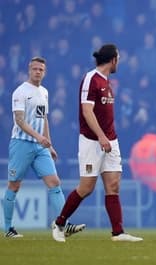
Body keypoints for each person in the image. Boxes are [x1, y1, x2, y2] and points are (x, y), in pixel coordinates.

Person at [51, 44, 143, 242]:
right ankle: (59, 224)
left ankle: (118, 233)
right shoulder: (91, 79)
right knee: (86, 187)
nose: (120, 62)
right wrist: (101, 136)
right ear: (113, 60)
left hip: (111, 140)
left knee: (113, 185)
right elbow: (86, 111)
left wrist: (109, 137)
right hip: (92, 141)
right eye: (119, 58)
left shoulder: (107, 82)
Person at [3, 57, 85, 238]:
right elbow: (19, 120)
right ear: (29, 70)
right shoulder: (20, 92)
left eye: (41, 69)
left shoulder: (44, 92)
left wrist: (49, 144)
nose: (38, 72)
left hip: (40, 147)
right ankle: (8, 228)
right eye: (35, 69)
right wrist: (40, 137)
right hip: (21, 144)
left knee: (54, 182)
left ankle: (64, 224)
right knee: (14, 186)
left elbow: (43, 119)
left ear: (45, 72)